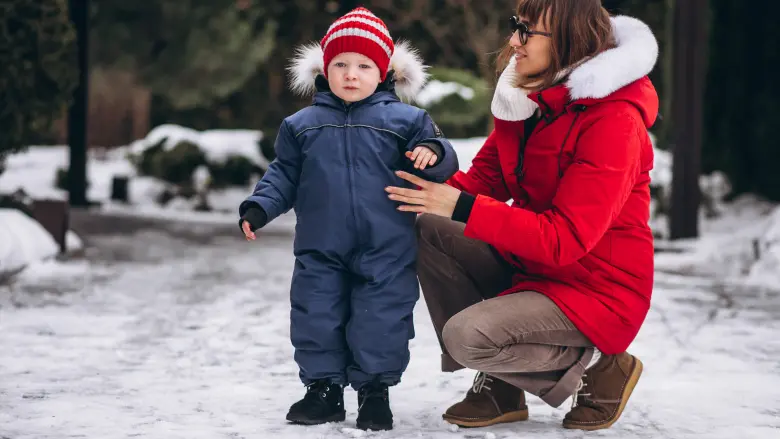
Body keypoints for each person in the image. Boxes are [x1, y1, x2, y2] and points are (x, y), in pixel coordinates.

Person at [385, 0, 658, 431]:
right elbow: (481, 181)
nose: (513, 41)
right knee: (432, 227)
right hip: (533, 268)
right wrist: (393, 199)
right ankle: (502, 385)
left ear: (572, 41)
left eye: (528, 32)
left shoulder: (614, 122)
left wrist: (459, 205)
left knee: (466, 338)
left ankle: (598, 369)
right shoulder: (530, 101)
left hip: (597, 290)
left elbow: (564, 239)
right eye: (517, 27)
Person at [238, 7, 459, 431]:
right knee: (315, 313)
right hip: (321, 246)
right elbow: (283, 174)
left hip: (386, 246)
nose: (351, 74)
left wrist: (432, 154)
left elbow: (441, 155)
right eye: (340, 64)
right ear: (325, 70)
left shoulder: (407, 121)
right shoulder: (301, 126)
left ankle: (375, 390)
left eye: (364, 65)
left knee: (382, 317)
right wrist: (259, 207)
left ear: (385, 72)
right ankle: (323, 390)